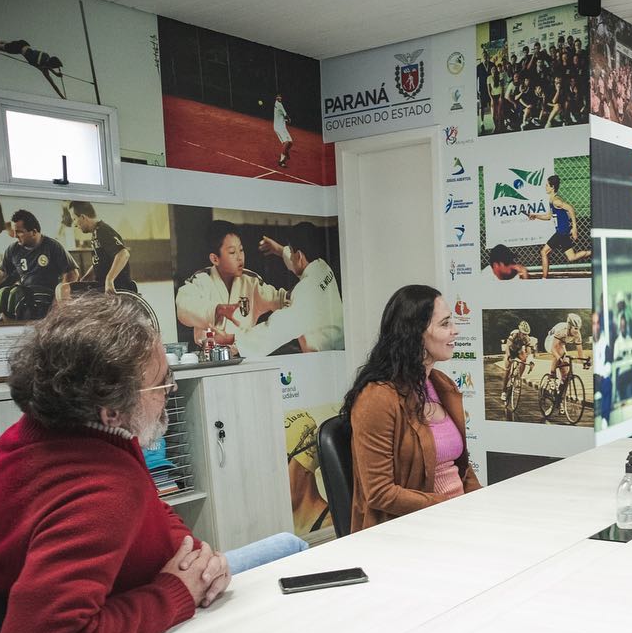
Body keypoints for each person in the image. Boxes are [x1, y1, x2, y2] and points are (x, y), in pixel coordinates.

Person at [0, 296, 306, 633]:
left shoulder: (42, 435)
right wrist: (176, 594)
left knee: (289, 547)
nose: (169, 389)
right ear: (112, 409)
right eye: (160, 383)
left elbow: (150, 509)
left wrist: (195, 555)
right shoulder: (103, 489)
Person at [341, 285, 480, 530]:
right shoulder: (377, 398)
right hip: (411, 529)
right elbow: (380, 492)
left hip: (456, 517)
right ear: (416, 334)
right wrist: (448, 507)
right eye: (445, 323)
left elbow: (462, 469)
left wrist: (483, 503)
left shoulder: (441, 385)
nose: (455, 331)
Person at [228, 222, 344, 355]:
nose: (291, 256)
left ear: (299, 255)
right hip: (339, 346)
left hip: (323, 355)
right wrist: (280, 250)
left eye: (291, 251)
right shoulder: (323, 268)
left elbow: (278, 328)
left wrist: (238, 345)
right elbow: (300, 265)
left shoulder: (304, 291)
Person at [175, 220, 286, 348]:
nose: (240, 257)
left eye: (241, 250)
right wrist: (217, 310)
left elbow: (281, 300)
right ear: (215, 259)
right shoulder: (201, 280)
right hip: (209, 354)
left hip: (243, 352)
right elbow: (183, 306)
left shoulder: (251, 281)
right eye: (232, 252)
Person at [0, 209, 77, 320]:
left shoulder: (52, 246)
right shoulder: (13, 249)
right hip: (27, 292)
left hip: (48, 293)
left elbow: (72, 273)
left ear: (34, 232)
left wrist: (60, 299)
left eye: (19, 232)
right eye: (14, 231)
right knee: (1, 298)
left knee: (17, 297)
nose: (14, 236)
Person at [527, 175, 591, 278]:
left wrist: (574, 228)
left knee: (543, 252)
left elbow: (570, 208)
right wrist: (536, 216)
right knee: (572, 257)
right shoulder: (551, 200)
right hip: (563, 232)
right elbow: (548, 216)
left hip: (562, 232)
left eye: (547, 185)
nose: (545, 187)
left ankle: (544, 278)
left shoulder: (556, 200)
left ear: (552, 187)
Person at [69, 201, 137, 294]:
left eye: (74, 219)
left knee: (64, 290)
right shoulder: (96, 233)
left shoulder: (103, 231)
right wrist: (86, 277)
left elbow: (123, 253)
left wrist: (109, 280)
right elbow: (100, 262)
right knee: (64, 289)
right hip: (100, 285)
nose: (75, 224)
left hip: (116, 286)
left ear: (83, 217)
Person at [0, 39, 65, 97]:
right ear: (50, 64)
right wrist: (62, 96)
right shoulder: (43, 63)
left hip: (23, 45)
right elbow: (53, 83)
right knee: (4, 48)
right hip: (20, 47)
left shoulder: (45, 63)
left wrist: (56, 74)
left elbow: (52, 80)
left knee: (7, 46)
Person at [544, 312, 586, 386]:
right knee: (559, 353)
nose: (577, 331)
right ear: (569, 326)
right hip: (551, 341)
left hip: (561, 343)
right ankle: (552, 376)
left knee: (565, 372)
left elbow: (580, 353)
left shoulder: (577, 334)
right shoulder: (562, 331)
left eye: (578, 329)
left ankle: (561, 394)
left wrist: (585, 363)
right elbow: (553, 348)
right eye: (575, 328)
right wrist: (559, 358)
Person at [500, 319, 536, 401]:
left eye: (526, 334)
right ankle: (504, 391)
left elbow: (529, 351)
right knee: (507, 370)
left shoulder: (527, 339)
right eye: (523, 334)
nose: (524, 336)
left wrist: (531, 362)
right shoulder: (514, 334)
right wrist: (509, 356)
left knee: (524, 359)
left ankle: (518, 377)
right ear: (520, 331)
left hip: (518, 351)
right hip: (511, 351)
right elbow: (507, 347)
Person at [273, 94, 293, 168]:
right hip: (278, 127)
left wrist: (285, 120)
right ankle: (281, 161)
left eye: (280, 96)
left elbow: (281, 116)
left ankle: (285, 151)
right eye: (278, 96)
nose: (279, 97)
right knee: (286, 142)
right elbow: (285, 115)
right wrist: (289, 119)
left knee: (291, 142)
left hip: (283, 127)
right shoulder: (279, 104)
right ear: (276, 98)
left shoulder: (277, 103)